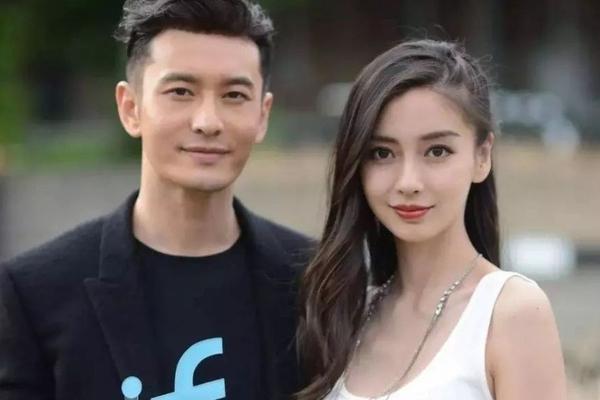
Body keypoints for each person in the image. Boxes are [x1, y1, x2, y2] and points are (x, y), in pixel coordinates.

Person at [0, 1, 313, 399]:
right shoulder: (35, 293)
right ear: (130, 108)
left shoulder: (318, 281)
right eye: (181, 91)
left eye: (234, 95)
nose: (207, 122)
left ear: (262, 115)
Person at [296, 39, 567, 400]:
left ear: (482, 156)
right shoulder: (349, 312)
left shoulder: (511, 313)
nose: (408, 182)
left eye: (437, 151)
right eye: (382, 153)